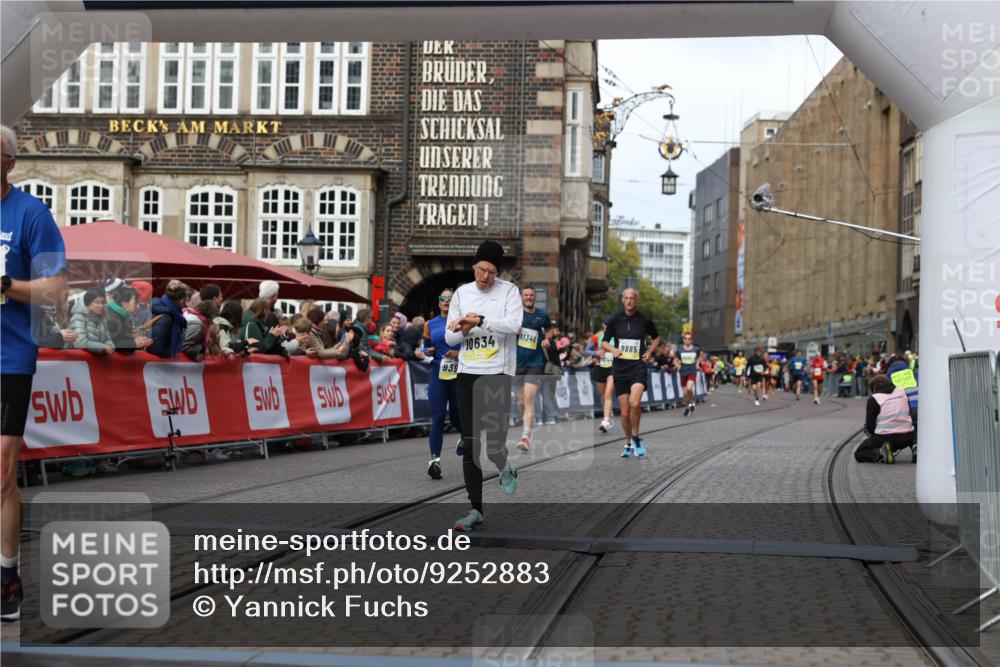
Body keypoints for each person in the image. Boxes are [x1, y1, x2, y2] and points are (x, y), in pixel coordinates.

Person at [2, 123, 69, 620]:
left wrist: (6, 284)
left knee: (1, 474)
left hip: (9, 357)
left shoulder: (31, 214)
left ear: (8, 163)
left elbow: (55, 290)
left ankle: (7, 575)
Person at [445, 240, 522, 532]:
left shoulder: (509, 291)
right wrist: (463, 327)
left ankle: (505, 466)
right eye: (480, 269)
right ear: (474, 267)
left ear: (496, 271)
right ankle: (475, 509)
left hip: (497, 374)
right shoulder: (463, 293)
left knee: (493, 447)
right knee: (471, 445)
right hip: (467, 374)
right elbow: (451, 339)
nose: (484, 276)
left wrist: (480, 320)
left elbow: (514, 325)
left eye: (490, 271)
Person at [603, 287, 660, 458]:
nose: (629, 301)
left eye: (632, 298)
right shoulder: (615, 320)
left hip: (637, 367)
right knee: (625, 412)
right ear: (623, 300)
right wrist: (612, 349)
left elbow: (656, 338)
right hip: (620, 368)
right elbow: (604, 342)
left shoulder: (644, 320)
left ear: (637, 300)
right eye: (626, 298)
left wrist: (649, 352)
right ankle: (628, 442)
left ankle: (636, 437)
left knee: (635, 403)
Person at [424, 289, 462, 478]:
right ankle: (434, 460)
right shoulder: (430, 324)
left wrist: (458, 354)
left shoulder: (462, 322)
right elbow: (425, 346)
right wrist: (428, 351)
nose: (446, 301)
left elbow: (471, 347)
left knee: (456, 417)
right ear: (438, 303)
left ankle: (463, 436)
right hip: (438, 373)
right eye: (443, 299)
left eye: (450, 298)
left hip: (458, 375)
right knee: (438, 416)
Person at [513, 286, 552, 451]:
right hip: (517, 362)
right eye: (526, 295)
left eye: (531, 295)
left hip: (536, 363)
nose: (529, 297)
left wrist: (547, 340)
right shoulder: (515, 314)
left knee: (529, 398)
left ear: (535, 297)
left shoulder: (542, 314)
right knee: (521, 401)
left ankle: (525, 437)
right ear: (521, 297)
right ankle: (529, 424)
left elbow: (549, 330)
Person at [854, 374, 916, 463]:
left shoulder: (874, 398)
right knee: (915, 428)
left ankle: (880, 453)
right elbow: (909, 413)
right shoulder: (902, 392)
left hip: (884, 438)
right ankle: (915, 446)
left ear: (875, 387)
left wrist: (874, 435)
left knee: (859, 453)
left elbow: (870, 426)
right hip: (907, 437)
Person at [148, 280, 189, 358]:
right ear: (181, 300)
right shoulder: (166, 317)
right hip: (158, 367)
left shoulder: (173, 314)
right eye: (186, 298)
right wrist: (170, 354)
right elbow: (155, 349)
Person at [106, 286, 152, 352]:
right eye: (135, 302)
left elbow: (120, 339)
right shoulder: (111, 318)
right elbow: (110, 345)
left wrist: (134, 339)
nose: (138, 306)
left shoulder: (121, 314)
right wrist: (134, 344)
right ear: (124, 304)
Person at [70, 287, 115, 355]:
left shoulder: (102, 318)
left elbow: (108, 339)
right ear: (88, 303)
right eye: (96, 302)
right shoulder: (78, 318)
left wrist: (110, 347)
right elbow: (80, 343)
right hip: (78, 361)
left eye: (103, 302)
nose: (101, 306)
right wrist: (104, 347)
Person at [592, 318, 616, 433]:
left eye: (609, 325)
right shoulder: (599, 336)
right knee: (603, 396)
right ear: (603, 325)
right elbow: (588, 349)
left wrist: (611, 351)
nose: (607, 327)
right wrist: (596, 353)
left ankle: (605, 421)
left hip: (613, 367)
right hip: (602, 366)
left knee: (607, 395)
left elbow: (620, 351)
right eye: (606, 325)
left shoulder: (617, 335)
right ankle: (608, 415)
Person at [677, 331, 702, 417]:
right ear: (683, 340)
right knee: (685, 394)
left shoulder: (696, 349)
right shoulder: (679, 349)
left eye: (689, 339)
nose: (687, 340)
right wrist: (678, 365)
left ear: (691, 340)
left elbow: (700, 357)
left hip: (692, 371)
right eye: (685, 338)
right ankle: (689, 406)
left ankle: (691, 403)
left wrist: (697, 364)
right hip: (683, 372)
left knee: (689, 389)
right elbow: (677, 359)